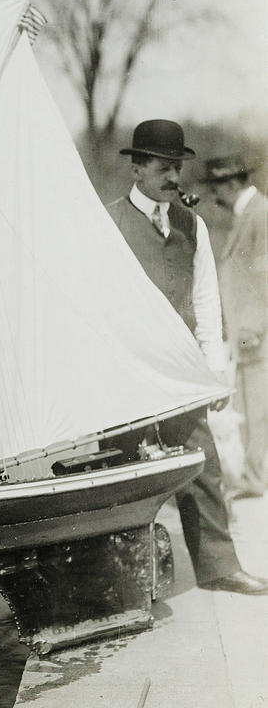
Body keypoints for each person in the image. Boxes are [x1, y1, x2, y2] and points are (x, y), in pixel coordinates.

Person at [106, 119, 268, 595]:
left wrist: (214, 368)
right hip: (128, 372)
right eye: (163, 166)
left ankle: (219, 568)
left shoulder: (190, 222)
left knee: (203, 464)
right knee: (124, 476)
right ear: (137, 169)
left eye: (177, 167)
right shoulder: (109, 223)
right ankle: (125, 586)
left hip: (181, 373)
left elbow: (204, 298)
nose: (173, 177)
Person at [204, 154, 268, 497]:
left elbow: (265, 273)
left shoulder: (261, 214)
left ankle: (256, 479)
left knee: (256, 406)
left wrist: (253, 328)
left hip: (257, 333)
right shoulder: (247, 215)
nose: (215, 198)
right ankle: (251, 476)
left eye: (217, 189)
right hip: (247, 331)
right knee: (247, 404)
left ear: (231, 184)